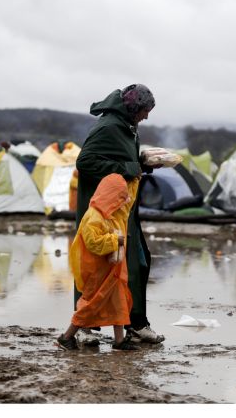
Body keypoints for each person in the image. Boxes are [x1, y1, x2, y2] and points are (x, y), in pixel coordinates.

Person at [74, 84, 164, 345]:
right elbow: (85, 162)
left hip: (124, 210)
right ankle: (83, 327)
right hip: (102, 212)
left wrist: (142, 162)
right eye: (145, 111)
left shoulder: (127, 126)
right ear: (134, 107)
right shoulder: (108, 126)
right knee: (94, 269)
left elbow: (124, 162)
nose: (146, 117)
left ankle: (135, 324)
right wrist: (129, 166)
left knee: (136, 264)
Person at [57, 173, 140, 351]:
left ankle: (119, 340)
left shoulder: (115, 213)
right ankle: (66, 337)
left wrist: (135, 180)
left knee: (119, 303)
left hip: (114, 271)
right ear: (111, 196)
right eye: (120, 196)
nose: (123, 201)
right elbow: (93, 243)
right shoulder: (93, 216)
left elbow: (129, 201)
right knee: (91, 304)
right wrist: (115, 240)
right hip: (97, 272)